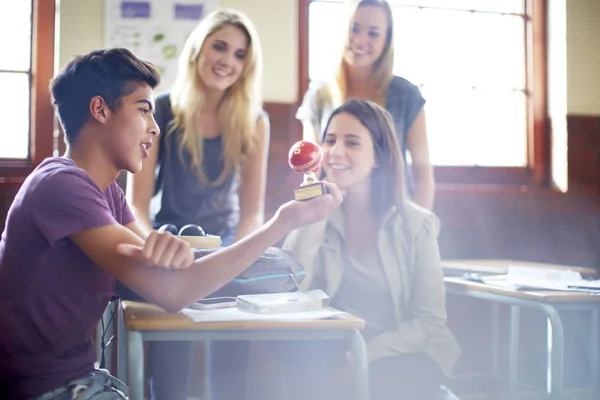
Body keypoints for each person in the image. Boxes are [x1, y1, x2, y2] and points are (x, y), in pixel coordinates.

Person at [0, 47, 342, 400]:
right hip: (46, 389)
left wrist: (175, 253)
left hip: (79, 378)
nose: (155, 127)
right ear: (100, 109)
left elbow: (173, 273)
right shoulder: (61, 185)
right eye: (143, 110)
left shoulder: (106, 193)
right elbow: (173, 291)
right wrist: (283, 222)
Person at [121, 9, 268, 399]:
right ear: (197, 48)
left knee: (231, 372)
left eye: (240, 54)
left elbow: (253, 210)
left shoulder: (256, 121)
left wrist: (239, 254)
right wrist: (154, 247)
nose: (227, 60)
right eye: (219, 46)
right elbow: (137, 204)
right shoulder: (161, 110)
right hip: (173, 246)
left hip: (228, 248)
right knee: (171, 374)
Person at [280, 99, 460, 400]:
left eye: (352, 143)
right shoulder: (316, 214)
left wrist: (360, 360)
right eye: (330, 141)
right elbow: (291, 291)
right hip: (338, 344)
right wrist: (311, 216)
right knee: (299, 353)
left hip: (401, 350)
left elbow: (429, 322)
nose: (336, 152)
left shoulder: (418, 224)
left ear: (379, 157)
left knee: (396, 380)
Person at [296, 0, 435, 209]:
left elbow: (423, 171)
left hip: (392, 213)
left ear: (386, 41)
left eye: (373, 33)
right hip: (333, 214)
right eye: (354, 28)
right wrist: (307, 217)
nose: (360, 40)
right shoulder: (318, 96)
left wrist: (415, 230)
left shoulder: (407, 95)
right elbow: (311, 170)